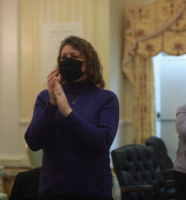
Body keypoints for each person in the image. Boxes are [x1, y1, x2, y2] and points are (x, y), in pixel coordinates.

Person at [24, 35, 119, 200]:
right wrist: (52, 105)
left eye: (74, 57)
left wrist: (68, 112)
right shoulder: (45, 98)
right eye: (63, 57)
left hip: (93, 191)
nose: (67, 61)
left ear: (88, 63)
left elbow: (102, 142)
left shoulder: (106, 98)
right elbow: (33, 141)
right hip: (53, 190)